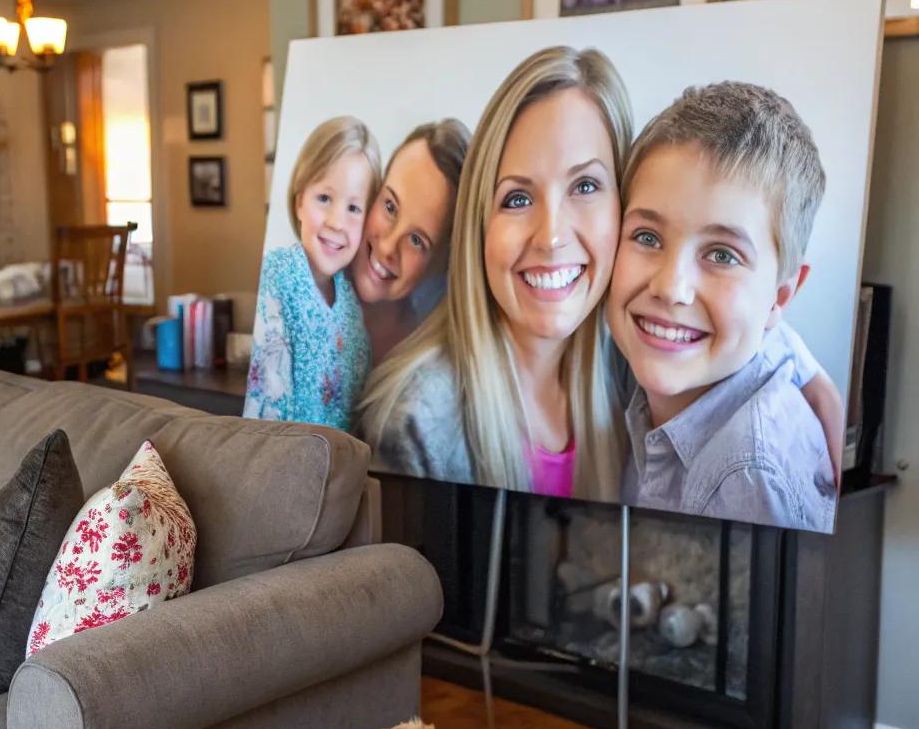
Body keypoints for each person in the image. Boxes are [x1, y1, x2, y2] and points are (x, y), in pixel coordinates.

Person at [358, 47, 633, 499]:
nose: (550, 237)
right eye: (517, 199)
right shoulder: (413, 423)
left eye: (585, 186)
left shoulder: (632, 371)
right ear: (479, 226)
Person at [606, 81, 837, 529]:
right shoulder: (646, 350)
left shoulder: (746, 477)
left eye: (722, 255)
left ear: (780, 297)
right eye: (647, 237)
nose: (671, 288)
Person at [244, 116, 380, 430]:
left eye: (353, 208)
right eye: (324, 198)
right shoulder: (278, 274)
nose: (336, 221)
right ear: (299, 202)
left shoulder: (353, 301)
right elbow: (267, 403)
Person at [350, 119, 470, 366]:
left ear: (441, 262)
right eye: (390, 206)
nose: (387, 248)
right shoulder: (307, 284)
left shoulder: (429, 361)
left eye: (417, 240)